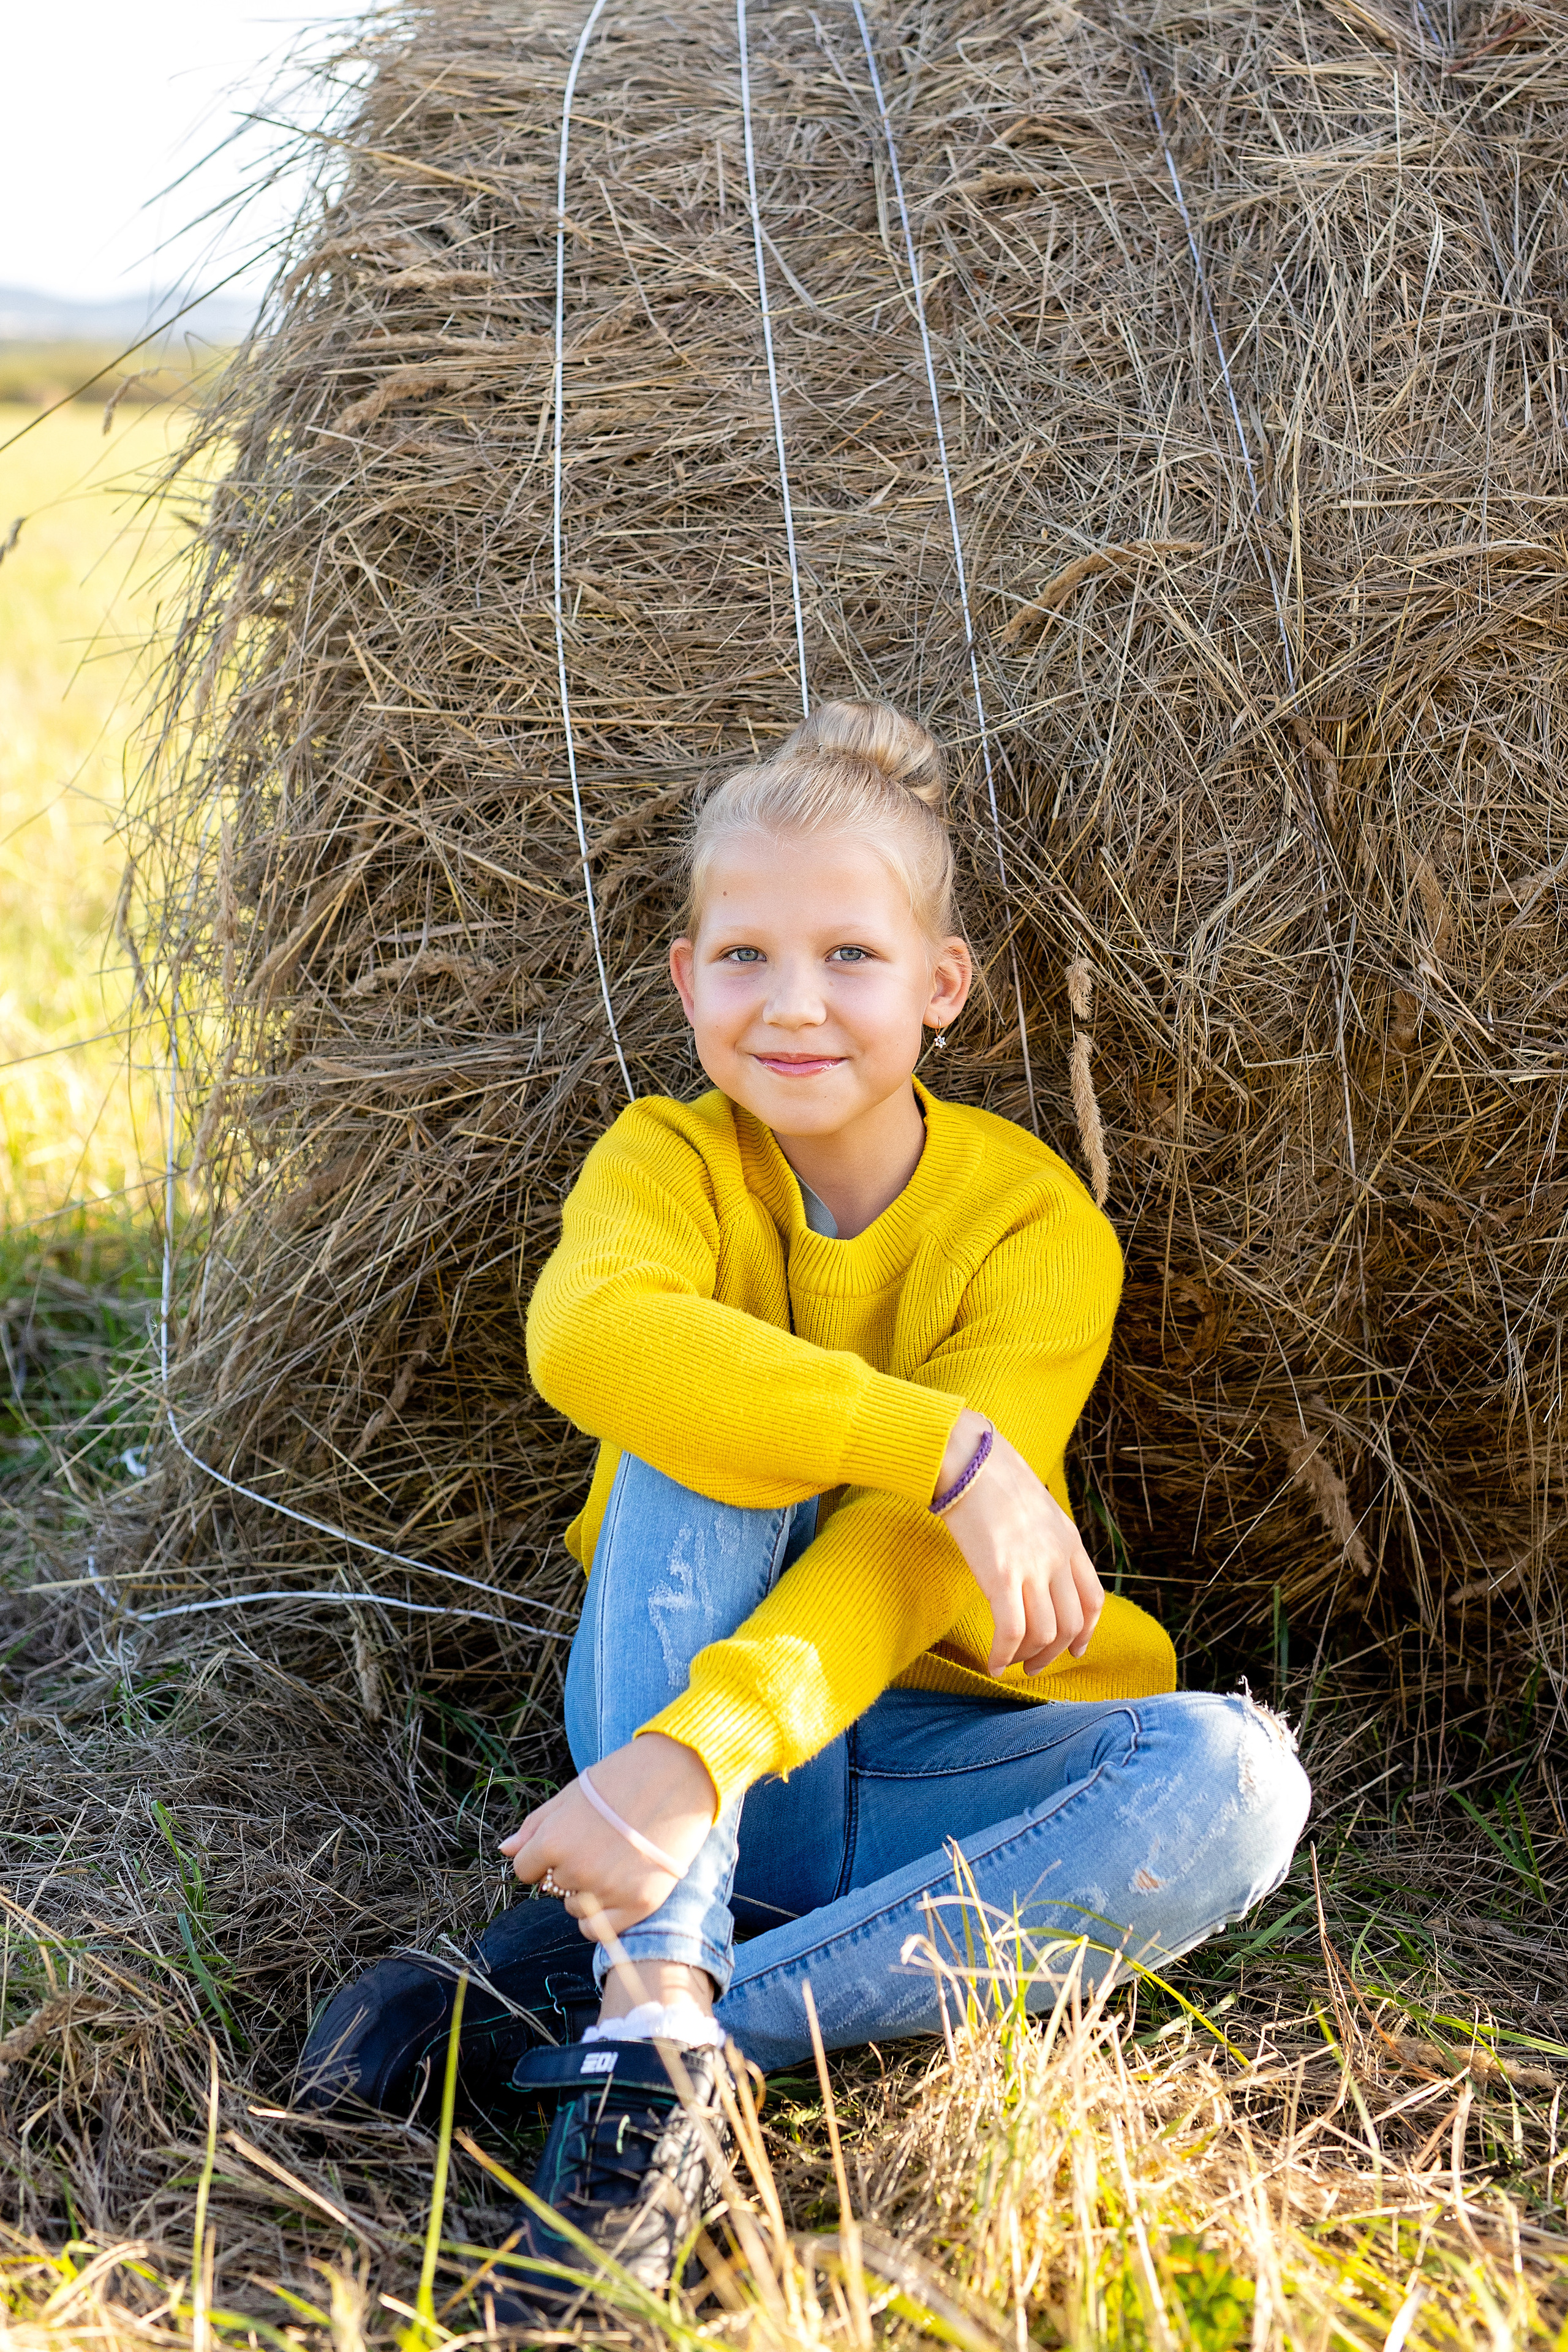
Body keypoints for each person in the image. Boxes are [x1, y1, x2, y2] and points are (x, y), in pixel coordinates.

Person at [299, 700, 1310, 2321]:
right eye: (748, 957)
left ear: (941, 985)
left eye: (850, 956)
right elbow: (591, 1340)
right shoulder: (665, 1164)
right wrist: (952, 1452)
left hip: (900, 1776)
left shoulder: (1032, 1227)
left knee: (1237, 1782)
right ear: (689, 977)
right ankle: (653, 2028)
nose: (794, 1006)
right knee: (711, 1407)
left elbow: (910, 1569)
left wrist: (686, 1768)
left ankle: (631, 2018)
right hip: (676, 1726)